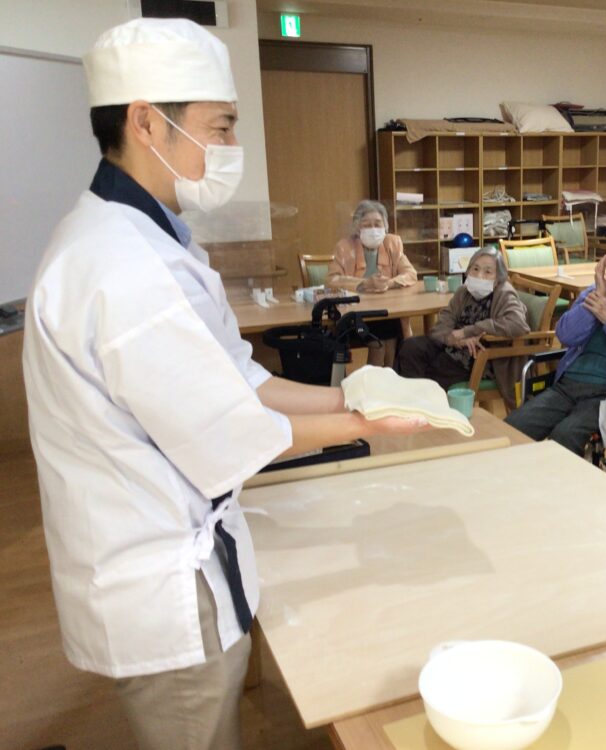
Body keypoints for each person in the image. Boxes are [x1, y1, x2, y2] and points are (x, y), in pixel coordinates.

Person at [21, 19, 429, 750]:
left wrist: (353, 396)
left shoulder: (146, 237)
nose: (231, 148)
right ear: (146, 121)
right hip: (158, 580)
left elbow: (238, 380)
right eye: (222, 127)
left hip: (177, 550)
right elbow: (229, 429)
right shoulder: (121, 265)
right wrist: (370, 422)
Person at [504, 235, 606, 454]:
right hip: (566, 386)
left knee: (564, 436)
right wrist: (599, 295)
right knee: (512, 428)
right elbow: (566, 335)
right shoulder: (594, 293)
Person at [396, 247, 529, 409]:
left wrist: (470, 331)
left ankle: (418, 409)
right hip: (455, 346)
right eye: (475, 269)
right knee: (410, 347)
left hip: (479, 356)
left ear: (498, 278)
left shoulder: (504, 293)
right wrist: (452, 339)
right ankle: (409, 406)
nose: (479, 275)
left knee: (432, 369)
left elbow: (518, 324)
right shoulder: (464, 291)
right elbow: (443, 322)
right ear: (468, 270)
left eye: (488, 272)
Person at [327, 200, 418, 366]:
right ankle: (373, 384)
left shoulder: (392, 243)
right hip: (355, 315)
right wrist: (363, 284)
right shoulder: (344, 247)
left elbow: (411, 274)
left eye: (377, 224)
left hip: (387, 311)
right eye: (367, 225)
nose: (373, 229)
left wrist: (389, 283)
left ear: (385, 226)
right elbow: (332, 280)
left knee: (390, 338)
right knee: (380, 345)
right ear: (357, 227)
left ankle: (387, 382)